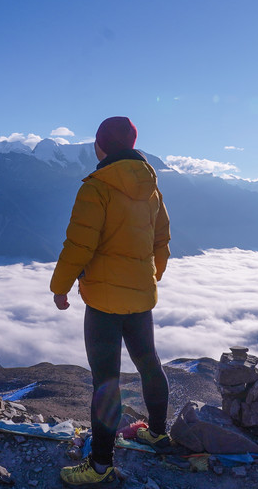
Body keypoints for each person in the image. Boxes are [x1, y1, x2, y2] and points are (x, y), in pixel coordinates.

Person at [50, 116, 173, 486]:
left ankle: (100, 466)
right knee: (149, 364)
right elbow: (161, 242)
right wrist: (149, 279)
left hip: (104, 301)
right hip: (141, 296)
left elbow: (79, 244)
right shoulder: (152, 187)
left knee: (107, 382)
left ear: (100, 146)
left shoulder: (97, 186)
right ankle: (157, 433)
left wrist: (61, 286)